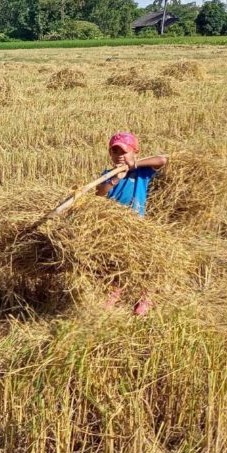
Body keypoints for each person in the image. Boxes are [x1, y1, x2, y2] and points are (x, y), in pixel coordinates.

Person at [95, 131, 168, 315]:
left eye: (124, 152)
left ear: (136, 152)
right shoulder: (108, 174)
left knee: (143, 262)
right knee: (116, 262)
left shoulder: (142, 172)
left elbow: (162, 160)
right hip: (115, 225)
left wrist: (134, 164)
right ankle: (115, 292)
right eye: (115, 152)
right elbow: (99, 193)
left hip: (137, 224)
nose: (120, 156)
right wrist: (115, 178)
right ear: (110, 154)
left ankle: (145, 297)